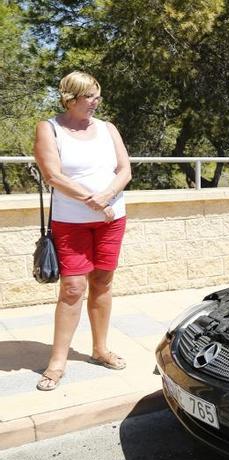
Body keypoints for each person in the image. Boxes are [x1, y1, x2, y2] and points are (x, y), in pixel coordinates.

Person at [32, 71, 132, 391]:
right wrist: (92, 201)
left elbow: (124, 169)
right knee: (73, 288)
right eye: (90, 96)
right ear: (70, 98)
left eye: (97, 95)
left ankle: (100, 349)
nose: (96, 102)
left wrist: (105, 198)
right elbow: (53, 176)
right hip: (70, 221)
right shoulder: (49, 129)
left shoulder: (107, 128)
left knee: (102, 282)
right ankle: (58, 361)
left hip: (111, 217)